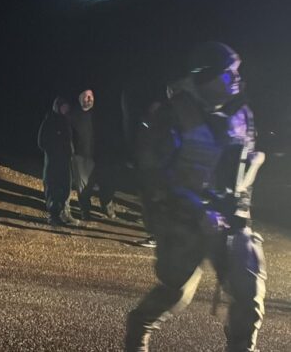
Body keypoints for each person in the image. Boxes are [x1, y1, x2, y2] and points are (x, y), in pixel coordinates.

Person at [125, 42, 266, 351]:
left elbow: (243, 165)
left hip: (230, 216)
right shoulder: (172, 114)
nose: (236, 79)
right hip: (183, 216)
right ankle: (139, 326)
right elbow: (153, 176)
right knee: (177, 290)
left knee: (249, 288)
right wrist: (196, 209)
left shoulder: (241, 113)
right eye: (228, 73)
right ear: (207, 77)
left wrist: (240, 207)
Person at [69, 89, 116, 220]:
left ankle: (107, 206)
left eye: (91, 96)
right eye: (86, 96)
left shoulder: (99, 115)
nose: (89, 99)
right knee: (83, 187)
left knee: (105, 182)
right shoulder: (73, 116)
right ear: (80, 99)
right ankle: (85, 210)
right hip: (81, 157)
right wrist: (72, 152)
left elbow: (108, 132)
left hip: (99, 155)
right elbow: (69, 135)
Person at [37, 97, 76, 226]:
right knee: (53, 187)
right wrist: (55, 150)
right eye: (63, 106)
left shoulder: (66, 121)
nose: (66, 109)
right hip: (53, 162)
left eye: (67, 106)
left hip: (65, 161)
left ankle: (62, 213)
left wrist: (70, 150)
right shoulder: (50, 120)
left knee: (65, 186)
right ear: (57, 106)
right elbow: (41, 141)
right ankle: (53, 216)